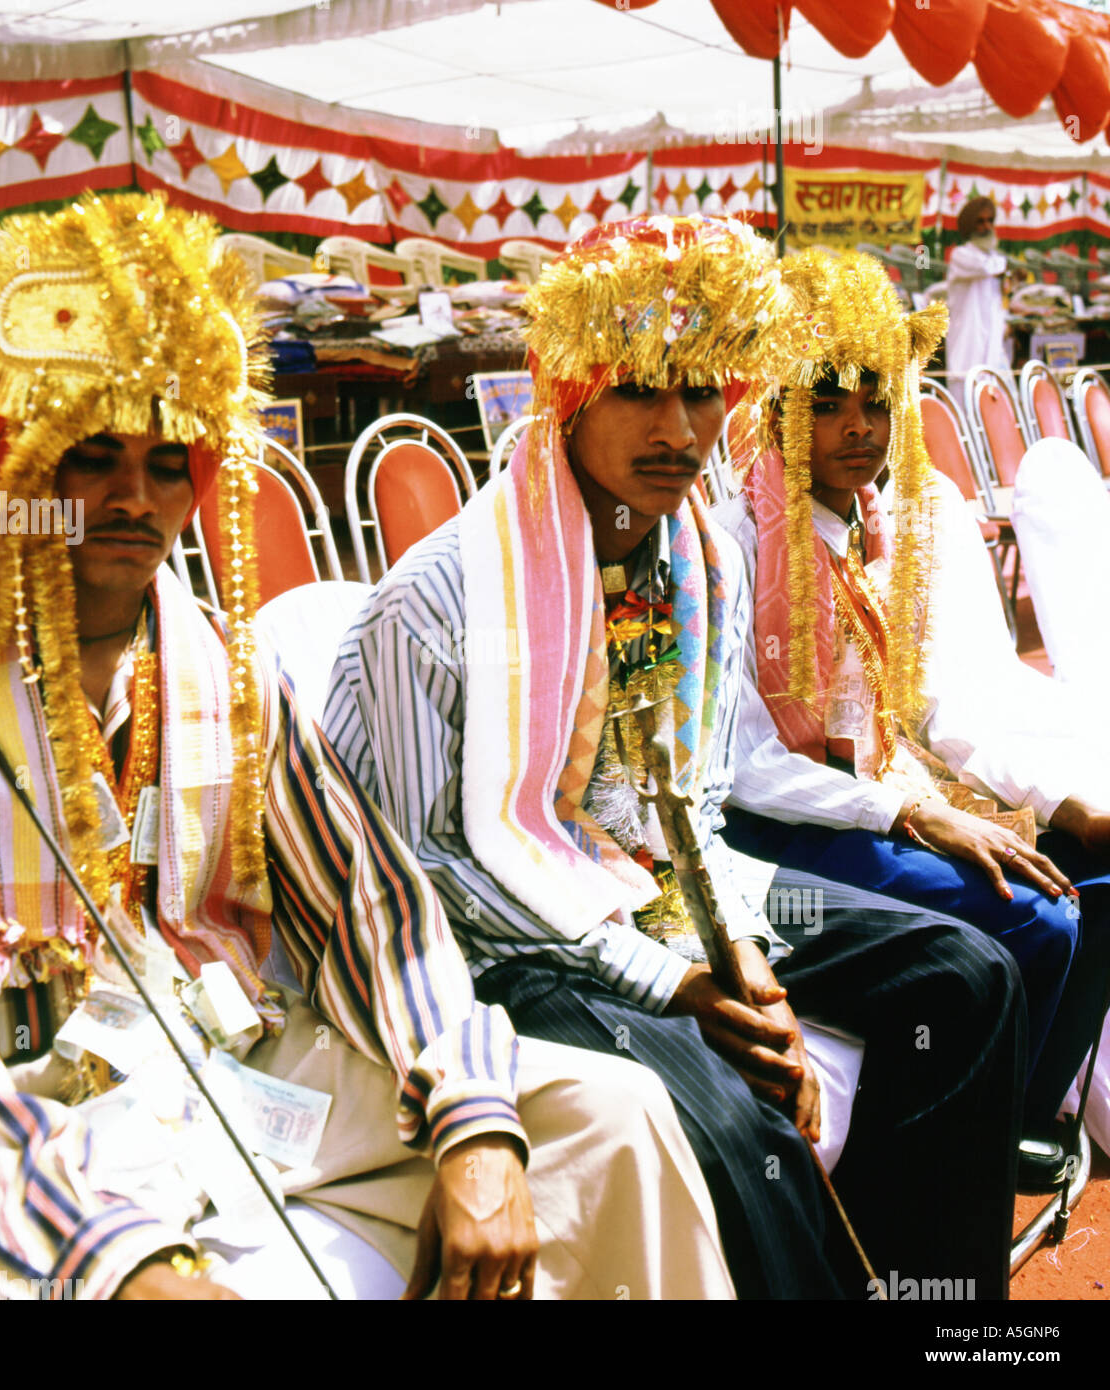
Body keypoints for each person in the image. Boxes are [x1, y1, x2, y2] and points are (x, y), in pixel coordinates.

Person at [0, 193, 734, 1302]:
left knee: (611, 1120)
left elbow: (372, 904)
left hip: (241, 1069)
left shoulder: (218, 663)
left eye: (171, 462)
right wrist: (119, 1266)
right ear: (18, 467)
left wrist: (469, 1114)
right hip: (37, 1119)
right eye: (93, 457)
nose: (135, 498)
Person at [325, 215, 1027, 1299]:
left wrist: (740, 942)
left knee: (965, 972)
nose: (680, 429)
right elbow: (437, 879)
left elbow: (696, 802)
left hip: (682, 891)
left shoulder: (701, 558)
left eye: (704, 392)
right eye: (643, 389)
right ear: (573, 391)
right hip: (515, 946)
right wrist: (684, 981)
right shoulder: (437, 600)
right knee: (730, 1114)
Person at [713, 246, 1110, 1179]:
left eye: (876, 402)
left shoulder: (870, 531)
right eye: (829, 401)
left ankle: (1007, 1116)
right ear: (779, 408)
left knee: (1093, 886)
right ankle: (959, 1143)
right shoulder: (736, 548)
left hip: (873, 808)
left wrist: (1059, 805)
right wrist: (908, 812)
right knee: (1039, 923)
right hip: (775, 839)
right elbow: (742, 765)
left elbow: (933, 708)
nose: (859, 428)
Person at [945, 195, 1012, 404]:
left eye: (990, 220)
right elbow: (985, 267)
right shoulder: (961, 255)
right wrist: (1005, 267)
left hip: (991, 344)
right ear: (970, 225)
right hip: (967, 343)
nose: (987, 226)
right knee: (964, 407)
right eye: (980, 221)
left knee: (996, 407)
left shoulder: (994, 258)